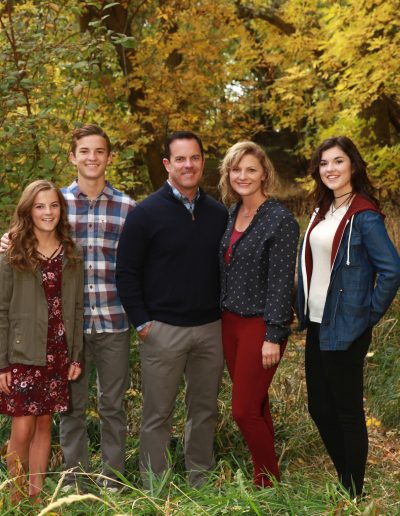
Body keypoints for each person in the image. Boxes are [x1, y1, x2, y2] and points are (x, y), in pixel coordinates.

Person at [1, 124, 135, 491]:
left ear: (109, 157)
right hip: (56, 332)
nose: (92, 158)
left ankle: (112, 478)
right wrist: (8, 239)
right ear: (72, 157)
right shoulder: (54, 202)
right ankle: (74, 479)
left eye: (99, 151)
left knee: (111, 405)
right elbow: (24, 232)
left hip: (111, 318)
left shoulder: (128, 208)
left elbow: (138, 263)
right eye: (84, 151)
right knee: (69, 409)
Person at [116, 131, 228, 487]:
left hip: (210, 329)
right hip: (162, 330)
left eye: (194, 158)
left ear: (203, 162)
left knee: (204, 410)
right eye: (180, 159)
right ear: (167, 164)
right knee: (157, 414)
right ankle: (155, 484)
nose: (188, 165)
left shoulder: (218, 213)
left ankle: (200, 478)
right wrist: (142, 323)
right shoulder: (145, 213)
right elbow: (126, 272)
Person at [297, 136, 400, 497]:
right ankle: (348, 478)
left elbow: (391, 270)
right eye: (324, 163)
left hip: (347, 325)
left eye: (338, 161)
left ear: (353, 165)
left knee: (347, 411)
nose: (330, 169)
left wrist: (366, 315)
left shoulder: (364, 215)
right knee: (319, 407)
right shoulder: (322, 210)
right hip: (318, 321)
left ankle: (353, 491)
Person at [218, 141, 299, 487]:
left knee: (243, 410)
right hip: (229, 323)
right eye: (236, 169)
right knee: (256, 402)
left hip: (259, 325)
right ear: (228, 174)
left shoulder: (280, 220)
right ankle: (265, 473)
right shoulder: (232, 213)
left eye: (251, 169)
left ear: (264, 173)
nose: (243, 176)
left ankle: (268, 482)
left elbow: (281, 282)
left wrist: (273, 334)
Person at [0, 180, 83, 503]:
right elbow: (1, 309)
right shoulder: (12, 252)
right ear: (28, 211)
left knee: (45, 423)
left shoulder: (71, 253)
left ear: (61, 209)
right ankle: (15, 498)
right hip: (22, 351)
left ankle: (36, 499)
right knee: (23, 427)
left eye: (53, 205)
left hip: (57, 350)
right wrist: (2, 363)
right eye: (39, 206)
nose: (47, 212)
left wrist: (75, 355)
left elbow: (76, 308)